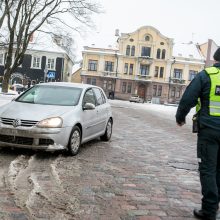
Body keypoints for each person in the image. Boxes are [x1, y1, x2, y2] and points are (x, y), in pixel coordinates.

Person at [176, 47, 220, 220]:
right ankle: (214, 204)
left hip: (209, 130)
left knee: (208, 169)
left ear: (215, 59)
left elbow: (189, 97)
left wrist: (180, 116)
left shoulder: (206, 75)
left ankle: (209, 210)